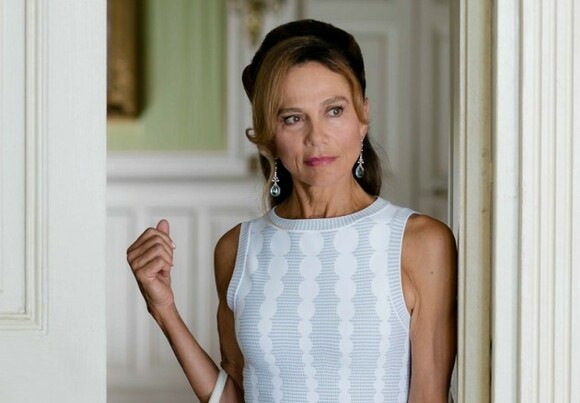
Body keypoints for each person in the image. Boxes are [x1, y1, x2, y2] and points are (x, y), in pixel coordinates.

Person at [126, 19, 457, 403]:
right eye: (293, 118)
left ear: (363, 117)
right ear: (267, 135)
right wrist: (164, 310)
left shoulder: (420, 243)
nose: (317, 137)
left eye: (334, 111)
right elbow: (234, 396)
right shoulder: (237, 249)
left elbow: (429, 395)